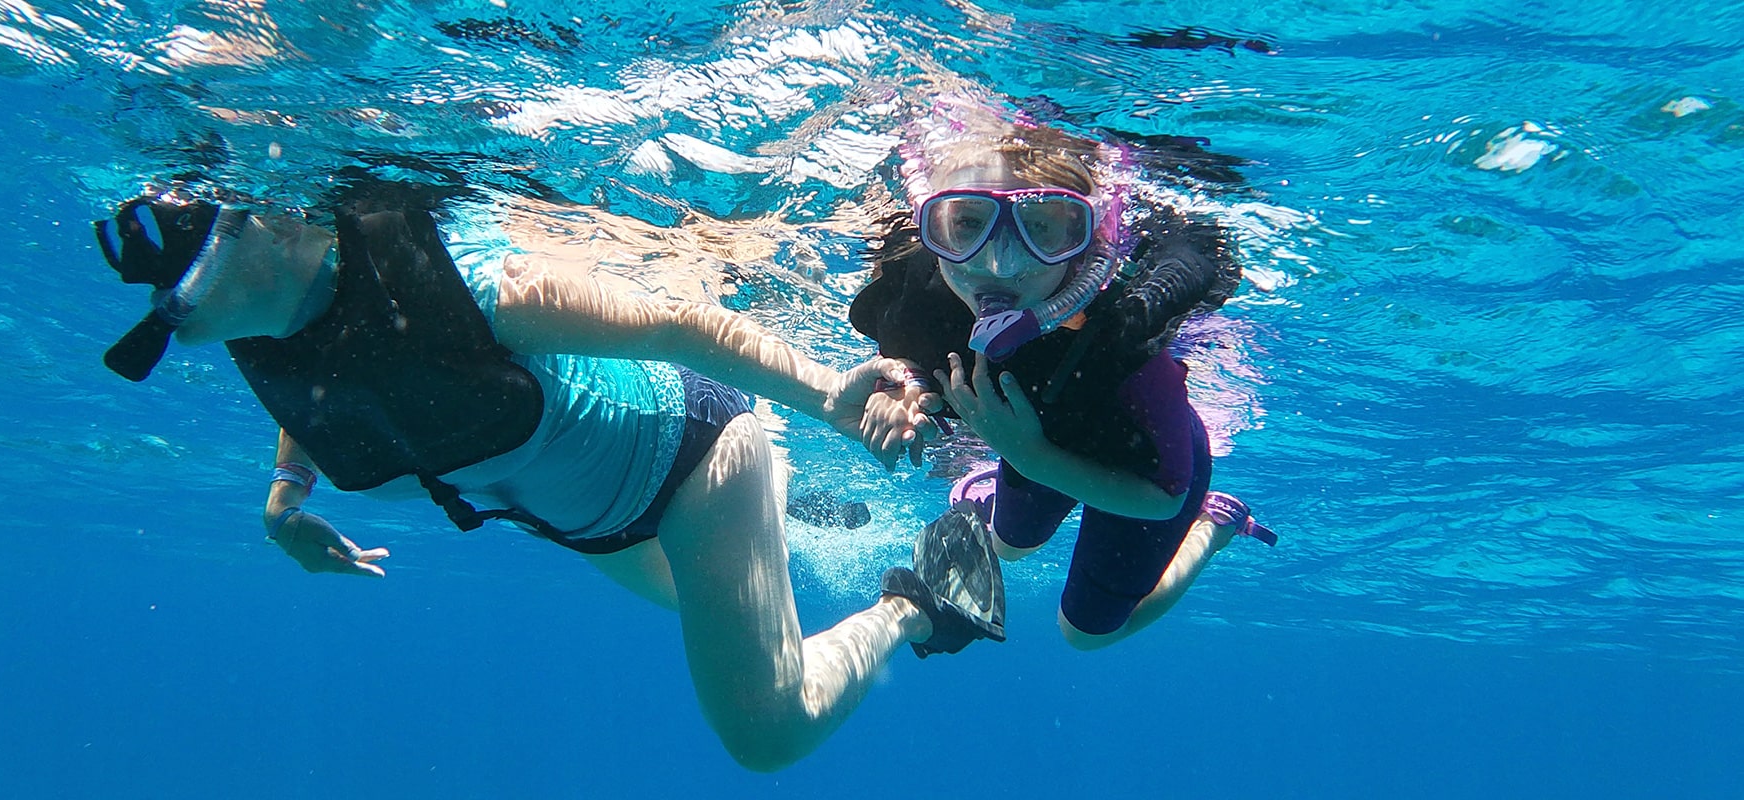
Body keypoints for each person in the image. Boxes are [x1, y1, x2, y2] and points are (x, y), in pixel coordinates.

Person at [90, 188, 1006, 771]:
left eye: (188, 287)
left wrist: (828, 398)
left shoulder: (470, 289)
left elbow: (675, 325)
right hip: (586, 520)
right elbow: (320, 396)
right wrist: (285, 502)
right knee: (694, 609)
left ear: (263, 221)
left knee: (764, 731)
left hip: (693, 456)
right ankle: (801, 510)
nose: (182, 317)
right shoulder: (266, 335)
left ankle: (911, 608)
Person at [847, 96, 1278, 651]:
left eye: (1041, 228)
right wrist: (900, 390)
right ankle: (996, 489)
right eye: (968, 225)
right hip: (1033, 444)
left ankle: (1213, 529)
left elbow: (1163, 496)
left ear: (1087, 238)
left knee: (1086, 634)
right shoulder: (925, 294)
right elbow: (908, 359)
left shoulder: (1123, 340)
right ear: (935, 223)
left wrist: (1028, 456)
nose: (998, 263)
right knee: (1006, 546)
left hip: (1137, 471)